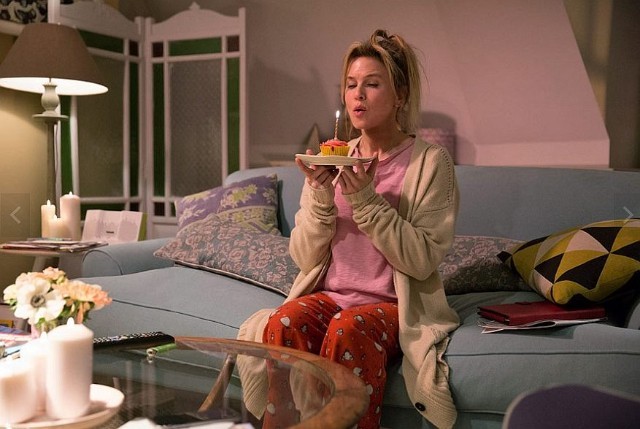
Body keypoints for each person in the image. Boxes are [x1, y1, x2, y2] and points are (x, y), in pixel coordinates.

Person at [237, 29, 460, 429]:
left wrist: (366, 201)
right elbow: (304, 258)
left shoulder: (430, 163)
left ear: (400, 95)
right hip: (332, 296)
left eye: (372, 84)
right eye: (351, 84)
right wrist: (322, 196)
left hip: (393, 306)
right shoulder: (332, 159)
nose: (358, 95)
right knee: (283, 322)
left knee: (348, 328)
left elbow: (423, 260)